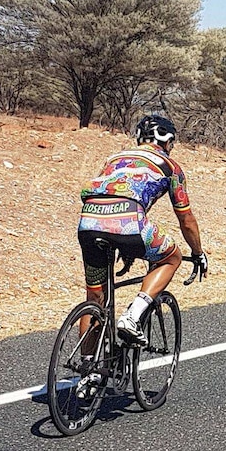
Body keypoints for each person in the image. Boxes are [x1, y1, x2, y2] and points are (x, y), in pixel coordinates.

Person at [78, 114, 208, 347]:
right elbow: (185, 218)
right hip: (129, 222)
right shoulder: (171, 167)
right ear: (168, 142)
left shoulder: (114, 158)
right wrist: (197, 252)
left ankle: (88, 369)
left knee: (95, 299)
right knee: (172, 258)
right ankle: (133, 316)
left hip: (89, 221)